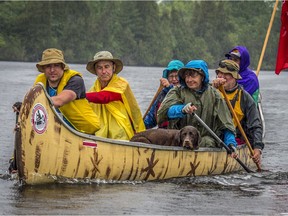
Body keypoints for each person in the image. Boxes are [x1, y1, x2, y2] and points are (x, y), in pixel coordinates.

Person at [157, 59, 237, 152]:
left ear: (202, 77)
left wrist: (231, 144)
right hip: (179, 142)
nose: (189, 80)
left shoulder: (215, 95)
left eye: (193, 76)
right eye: (187, 76)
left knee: (208, 141)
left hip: (204, 143)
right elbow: (164, 113)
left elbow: (226, 124)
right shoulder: (177, 91)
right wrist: (182, 109)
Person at [34, 48, 100, 134]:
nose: (52, 70)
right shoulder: (40, 81)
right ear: (43, 68)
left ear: (63, 67)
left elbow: (59, 101)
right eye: (48, 66)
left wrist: (31, 105)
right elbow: (35, 105)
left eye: (56, 65)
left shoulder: (75, 80)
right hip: (59, 130)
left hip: (83, 132)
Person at [212, 59, 264, 165]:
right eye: (220, 73)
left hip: (235, 139)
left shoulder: (245, 98)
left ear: (235, 77)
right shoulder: (210, 91)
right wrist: (212, 89)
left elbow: (255, 125)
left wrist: (257, 147)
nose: (222, 77)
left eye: (226, 74)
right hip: (212, 136)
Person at [85, 51, 145, 140]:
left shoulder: (121, 83)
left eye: (107, 67)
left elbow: (104, 97)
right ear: (96, 71)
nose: (104, 71)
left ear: (113, 67)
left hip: (121, 132)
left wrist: (77, 95)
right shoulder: (93, 90)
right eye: (99, 68)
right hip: (99, 132)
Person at [144, 60, 184, 129]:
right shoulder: (162, 94)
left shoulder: (186, 92)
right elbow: (151, 118)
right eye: (171, 76)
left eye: (177, 76)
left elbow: (176, 100)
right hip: (163, 134)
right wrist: (141, 125)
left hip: (181, 134)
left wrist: (170, 89)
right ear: (167, 78)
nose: (174, 79)